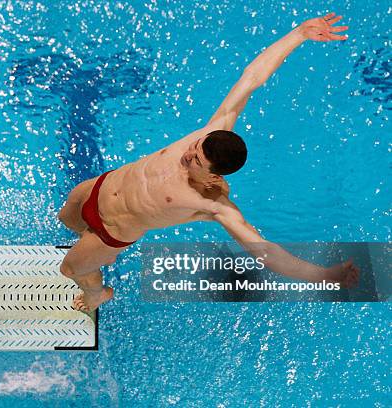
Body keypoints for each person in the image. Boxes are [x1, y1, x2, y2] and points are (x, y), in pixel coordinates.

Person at [57, 12, 359, 311]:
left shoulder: (213, 203)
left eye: (195, 160)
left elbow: (266, 253)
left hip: (110, 231)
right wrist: (299, 34)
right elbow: (252, 78)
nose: (187, 154)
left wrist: (326, 276)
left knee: (70, 270)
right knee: (67, 219)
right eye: (195, 147)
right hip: (96, 188)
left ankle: (97, 295)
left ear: (213, 176)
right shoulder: (212, 131)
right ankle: (81, 237)